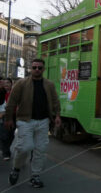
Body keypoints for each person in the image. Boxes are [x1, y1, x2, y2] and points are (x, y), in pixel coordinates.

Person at [5, 59, 61, 188]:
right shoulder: (21, 83)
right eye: (34, 67)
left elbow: (55, 101)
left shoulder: (49, 84)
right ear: (30, 68)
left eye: (39, 68)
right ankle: (16, 168)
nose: (37, 70)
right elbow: (12, 102)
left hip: (43, 121)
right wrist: (8, 118)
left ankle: (35, 176)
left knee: (40, 150)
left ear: (43, 69)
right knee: (25, 147)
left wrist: (57, 115)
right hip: (25, 121)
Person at [0, 78, 15, 160]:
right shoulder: (1, 92)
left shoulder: (14, 93)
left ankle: (5, 148)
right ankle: (6, 152)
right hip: (3, 116)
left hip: (14, 116)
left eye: (8, 83)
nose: (6, 84)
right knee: (3, 134)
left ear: (11, 84)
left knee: (11, 135)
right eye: (4, 83)